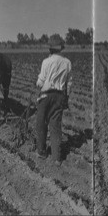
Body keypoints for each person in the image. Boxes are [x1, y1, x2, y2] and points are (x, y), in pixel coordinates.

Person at [35, 35, 72, 165]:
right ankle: (56, 158)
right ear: (61, 49)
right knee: (55, 126)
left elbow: (40, 81)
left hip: (45, 96)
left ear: (50, 49)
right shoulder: (67, 62)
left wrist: (38, 85)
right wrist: (66, 98)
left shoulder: (46, 62)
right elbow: (69, 83)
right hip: (59, 96)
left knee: (41, 123)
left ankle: (41, 152)